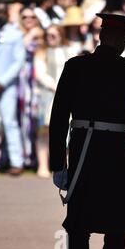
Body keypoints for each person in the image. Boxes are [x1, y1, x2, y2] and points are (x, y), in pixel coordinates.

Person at [49, 13, 125, 249]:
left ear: (101, 36)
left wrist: (58, 164)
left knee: (79, 225)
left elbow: (59, 118)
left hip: (83, 146)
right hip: (115, 152)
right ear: (121, 39)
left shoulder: (75, 66)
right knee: (115, 227)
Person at [0, 2, 26, 175]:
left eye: (2, 12)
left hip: (6, 86)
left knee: (10, 122)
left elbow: (19, 61)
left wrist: (3, 82)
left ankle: (16, 162)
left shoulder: (15, 34)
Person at [34, 24, 71, 178]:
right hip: (47, 96)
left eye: (54, 35)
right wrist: (55, 87)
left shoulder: (69, 51)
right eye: (48, 35)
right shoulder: (42, 52)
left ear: (61, 35)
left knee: (68, 132)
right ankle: (43, 166)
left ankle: (67, 165)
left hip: (67, 95)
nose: (50, 38)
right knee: (44, 131)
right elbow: (40, 73)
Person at [18, 7, 44, 170]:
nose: (29, 19)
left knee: (36, 119)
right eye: (25, 16)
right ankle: (25, 156)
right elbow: (18, 52)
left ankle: (36, 157)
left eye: (32, 17)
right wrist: (30, 35)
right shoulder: (18, 34)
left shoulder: (42, 35)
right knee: (23, 118)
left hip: (37, 82)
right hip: (21, 81)